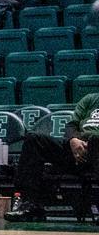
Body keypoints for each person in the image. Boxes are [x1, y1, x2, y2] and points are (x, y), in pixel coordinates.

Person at [7, 86, 99, 221]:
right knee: (34, 139)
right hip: (77, 149)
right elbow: (71, 125)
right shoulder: (91, 99)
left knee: (96, 140)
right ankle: (30, 205)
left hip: (96, 149)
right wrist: (73, 140)